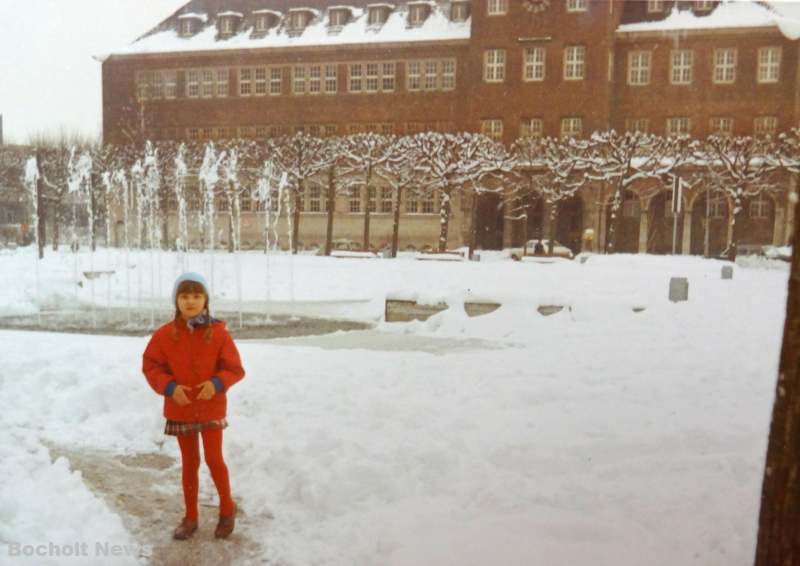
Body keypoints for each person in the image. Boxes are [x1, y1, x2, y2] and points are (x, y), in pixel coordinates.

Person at [142, 272, 245, 540]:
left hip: (210, 407)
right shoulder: (164, 335)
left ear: (206, 300)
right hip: (181, 409)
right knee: (190, 462)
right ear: (176, 300)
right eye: (184, 296)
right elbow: (151, 366)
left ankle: (226, 509)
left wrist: (218, 383)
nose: (190, 301)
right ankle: (190, 517)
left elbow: (234, 368)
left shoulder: (219, 333)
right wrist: (170, 388)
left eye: (196, 296)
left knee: (213, 459)